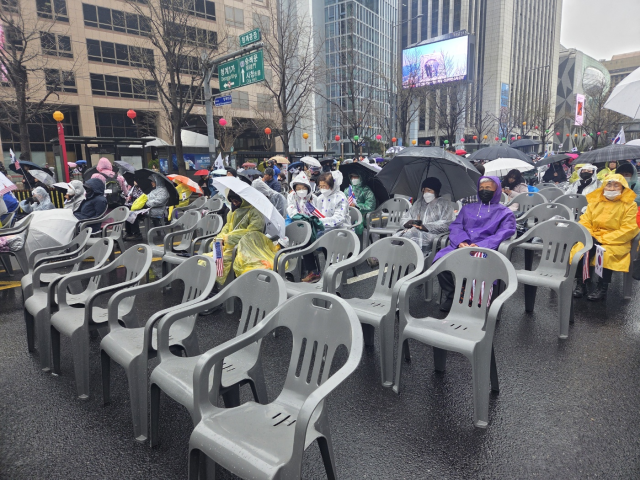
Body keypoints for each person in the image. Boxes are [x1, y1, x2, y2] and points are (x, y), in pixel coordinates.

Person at [435, 176, 517, 312]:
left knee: (476, 261)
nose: (484, 191)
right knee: (440, 259)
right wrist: (461, 241)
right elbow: (456, 226)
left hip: (485, 248)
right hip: (463, 244)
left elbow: (504, 232)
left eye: (488, 188)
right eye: (481, 188)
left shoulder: (504, 212)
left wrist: (481, 245)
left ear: (496, 190)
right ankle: (452, 296)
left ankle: (471, 298)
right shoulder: (467, 208)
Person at [572, 174, 640, 301]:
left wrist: (603, 239)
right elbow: (585, 221)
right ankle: (581, 283)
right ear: (603, 187)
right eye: (609, 185)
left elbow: (629, 229)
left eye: (616, 185)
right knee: (581, 249)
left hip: (617, 241)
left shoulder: (630, 205)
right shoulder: (595, 202)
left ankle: (602, 287)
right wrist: (591, 235)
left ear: (623, 188)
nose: (612, 188)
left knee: (605, 254)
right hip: (594, 236)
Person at [213, 190, 265, 284]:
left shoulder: (254, 211)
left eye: (236, 201)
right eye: (232, 201)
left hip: (247, 246)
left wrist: (230, 238)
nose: (234, 203)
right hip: (229, 245)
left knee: (225, 260)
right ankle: (216, 282)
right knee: (210, 258)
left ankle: (223, 283)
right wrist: (220, 238)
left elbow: (254, 231)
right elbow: (227, 228)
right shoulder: (232, 212)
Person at [394, 177, 455, 253]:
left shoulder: (444, 204)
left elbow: (447, 224)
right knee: (396, 237)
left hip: (433, 235)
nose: (425, 193)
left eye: (429, 190)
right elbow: (405, 218)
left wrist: (425, 227)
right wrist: (411, 222)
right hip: (414, 232)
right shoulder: (419, 203)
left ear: (436, 191)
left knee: (409, 237)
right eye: (423, 190)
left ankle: (412, 257)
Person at [124, 174, 169, 241]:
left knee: (133, 215)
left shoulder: (163, 191)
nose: (151, 183)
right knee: (129, 214)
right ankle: (129, 233)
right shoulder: (154, 190)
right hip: (148, 208)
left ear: (157, 182)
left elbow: (158, 201)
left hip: (155, 210)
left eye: (153, 181)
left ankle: (137, 234)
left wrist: (146, 204)